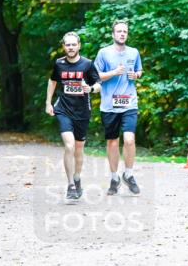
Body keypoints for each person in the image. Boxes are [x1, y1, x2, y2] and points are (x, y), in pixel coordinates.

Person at [45, 32, 101, 201]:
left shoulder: (87, 64)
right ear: (64, 46)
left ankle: (77, 177)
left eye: (73, 45)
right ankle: (70, 185)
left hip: (82, 112)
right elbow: (52, 81)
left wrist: (90, 89)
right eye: (67, 45)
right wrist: (48, 102)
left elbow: (98, 85)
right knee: (69, 146)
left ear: (79, 46)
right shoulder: (59, 64)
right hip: (63, 109)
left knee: (78, 149)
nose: (70, 47)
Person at [94, 19, 142, 195]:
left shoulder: (134, 52)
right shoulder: (103, 53)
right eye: (119, 31)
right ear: (113, 34)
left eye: (125, 31)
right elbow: (96, 76)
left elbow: (139, 71)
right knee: (112, 142)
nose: (122, 34)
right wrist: (114, 73)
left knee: (129, 139)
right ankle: (114, 178)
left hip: (129, 102)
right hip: (109, 105)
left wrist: (135, 75)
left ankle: (128, 174)